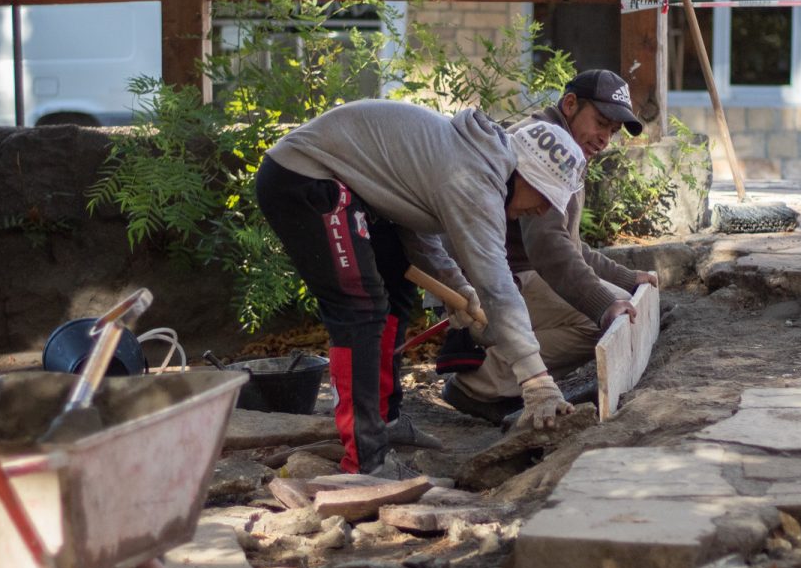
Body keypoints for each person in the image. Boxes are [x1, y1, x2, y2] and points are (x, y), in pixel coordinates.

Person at [255, 101, 585, 477]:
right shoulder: (477, 178)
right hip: (304, 177)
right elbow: (497, 285)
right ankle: (367, 462)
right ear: (527, 175)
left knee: (396, 284)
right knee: (359, 308)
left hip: (346, 183)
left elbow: (417, 232)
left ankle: (386, 421)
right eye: (546, 197)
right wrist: (537, 382)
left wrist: (457, 287)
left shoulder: (475, 160)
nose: (543, 211)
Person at [439, 69, 661, 424]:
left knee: (618, 302)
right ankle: (480, 382)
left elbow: (569, 242)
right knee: (603, 321)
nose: (605, 138)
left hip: (512, 276)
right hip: (488, 283)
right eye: (600, 123)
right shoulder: (548, 145)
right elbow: (547, 246)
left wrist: (628, 277)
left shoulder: (568, 142)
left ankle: (499, 363)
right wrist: (603, 305)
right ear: (570, 104)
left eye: (613, 131)